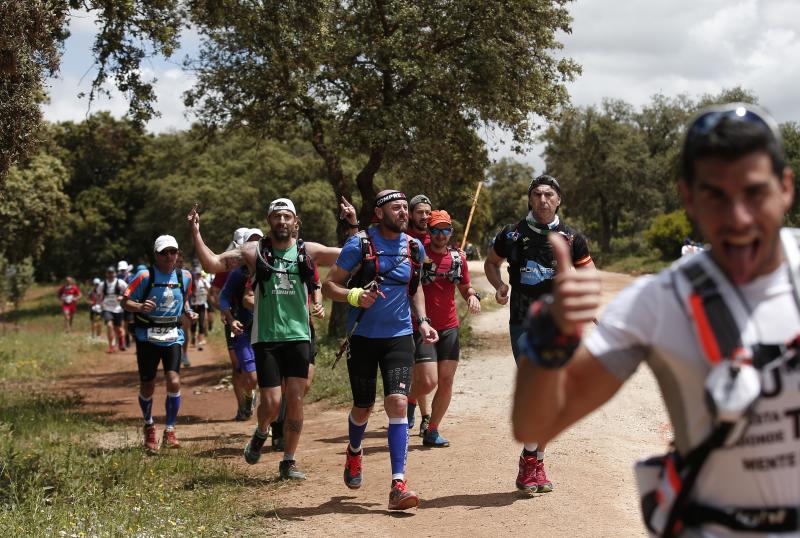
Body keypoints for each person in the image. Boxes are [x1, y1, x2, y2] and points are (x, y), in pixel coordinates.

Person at [513, 103, 800, 536]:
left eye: (754, 192)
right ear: (688, 197)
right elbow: (534, 424)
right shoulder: (659, 302)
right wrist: (550, 335)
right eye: (715, 195)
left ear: (785, 187)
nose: (738, 217)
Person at [323, 189, 438, 511]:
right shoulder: (359, 244)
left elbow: (413, 289)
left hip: (399, 335)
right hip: (362, 338)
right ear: (379, 213)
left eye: (405, 208)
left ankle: (398, 484)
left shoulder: (414, 247)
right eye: (396, 208)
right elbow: (329, 285)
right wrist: (356, 296)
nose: (404, 213)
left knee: (398, 402)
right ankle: (354, 451)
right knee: (363, 406)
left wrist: (424, 321)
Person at [189, 198, 319, 481]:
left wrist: (353, 223)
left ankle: (288, 461)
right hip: (266, 338)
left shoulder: (306, 251)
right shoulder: (253, 252)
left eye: (287, 217)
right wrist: (196, 233)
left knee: (295, 398)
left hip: (299, 336)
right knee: (272, 403)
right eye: (277, 217)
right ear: (268, 221)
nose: (282, 221)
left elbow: (347, 254)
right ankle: (261, 432)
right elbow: (213, 264)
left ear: (296, 222)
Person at [484, 173, 594, 493]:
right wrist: (500, 285)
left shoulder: (572, 238)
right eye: (537, 195)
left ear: (559, 199)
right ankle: (531, 460)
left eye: (549, 195)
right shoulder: (512, 234)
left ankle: (536, 460)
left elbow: (589, 275)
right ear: (530, 199)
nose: (543, 200)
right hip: (522, 322)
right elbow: (492, 264)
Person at [407, 210, 481, 447]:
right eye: (436, 230)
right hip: (423, 326)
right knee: (428, 382)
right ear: (428, 232)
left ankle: (432, 429)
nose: (441, 235)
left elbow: (465, 286)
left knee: (446, 381)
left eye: (445, 230)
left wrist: (472, 296)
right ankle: (409, 400)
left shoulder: (458, 258)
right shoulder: (418, 254)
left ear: (451, 232)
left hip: (449, 327)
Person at [122, 235, 196, 452]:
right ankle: (149, 426)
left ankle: (170, 430)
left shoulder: (185, 276)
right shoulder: (144, 275)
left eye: (173, 252)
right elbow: (124, 302)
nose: (169, 256)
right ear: (155, 255)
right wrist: (140, 307)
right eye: (164, 252)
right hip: (147, 336)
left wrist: (190, 313)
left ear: (178, 254)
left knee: (173, 380)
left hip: (173, 335)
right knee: (148, 383)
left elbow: (186, 302)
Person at [219, 228, 264, 421]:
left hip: (266, 330)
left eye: (259, 241)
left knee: (268, 379)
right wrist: (231, 319)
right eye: (251, 242)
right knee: (251, 377)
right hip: (242, 330)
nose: (256, 246)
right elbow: (222, 298)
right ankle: (247, 398)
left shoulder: (272, 269)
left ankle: (269, 421)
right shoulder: (237, 273)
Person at [405, 194, 433, 431]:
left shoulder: (436, 235)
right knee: (419, 372)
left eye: (427, 212)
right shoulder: (404, 238)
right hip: (406, 315)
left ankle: (415, 407)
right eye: (420, 212)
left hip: (433, 315)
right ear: (411, 214)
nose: (424, 217)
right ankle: (424, 416)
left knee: (427, 375)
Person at [97, 266, 128, 353]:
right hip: (107, 308)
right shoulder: (102, 284)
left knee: (119, 329)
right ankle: (111, 346)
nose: (111, 275)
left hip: (118, 309)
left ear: (115, 273)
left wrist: (122, 297)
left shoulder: (120, 283)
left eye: (112, 273)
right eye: (109, 273)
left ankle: (121, 341)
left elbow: (128, 292)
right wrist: (99, 305)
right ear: (106, 274)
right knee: (109, 325)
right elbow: (99, 295)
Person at [190, 268, 210, 350]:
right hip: (194, 305)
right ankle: (193, 338)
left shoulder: (204, 281)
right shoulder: (192, 282)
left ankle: (200, 341)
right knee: (194, 323)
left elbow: (209, 290)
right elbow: (189, 292)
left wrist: (204, 283)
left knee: (201, 323)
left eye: (199, 274)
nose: (198, 276)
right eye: (197, 274)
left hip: (202, 305)